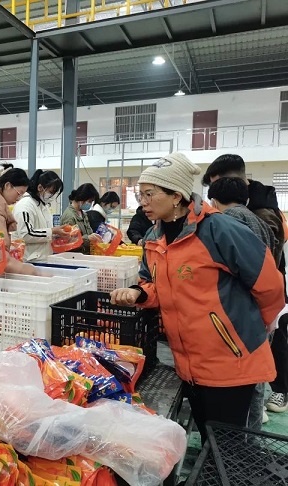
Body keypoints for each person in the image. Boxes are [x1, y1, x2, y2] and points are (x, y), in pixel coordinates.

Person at [111, 152, 284, 444]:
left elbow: (270, 285)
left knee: (226, 448)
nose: (143, 202)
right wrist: (139, 293)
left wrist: (250, 329)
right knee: (208, 443)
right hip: (189, 362)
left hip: (230, 361)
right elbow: (155, 283)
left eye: (150, 194)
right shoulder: (154, 237)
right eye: (141, 194)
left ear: (176, 196)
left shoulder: (219, 230)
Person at [203, 154, 288, 415]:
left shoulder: (232, 220)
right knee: (256, 374)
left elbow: (257, 271)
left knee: (247, 376)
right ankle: (252, 422)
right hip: (265, 305)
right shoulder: (258, 215)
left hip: (250, 307)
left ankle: (246, 427)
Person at [12, 170, 66, 263]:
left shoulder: (43, 206)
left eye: (55, 193)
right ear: (40, 187)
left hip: (42, 258)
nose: (53, 196)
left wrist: (57, 234)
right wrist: (52, 231)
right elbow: (26, 234)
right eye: (51, 192)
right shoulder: (25, 205)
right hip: (28, 260)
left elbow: (43, 231)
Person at [60, 183, 102, 254]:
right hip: (74, 255)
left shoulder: (83, 214)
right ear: (82, 198)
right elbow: (69, 241)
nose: (90, 204)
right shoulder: (69, 216)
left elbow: (89, 232)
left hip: (85, 253)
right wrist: (87, 238)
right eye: (89, 201)